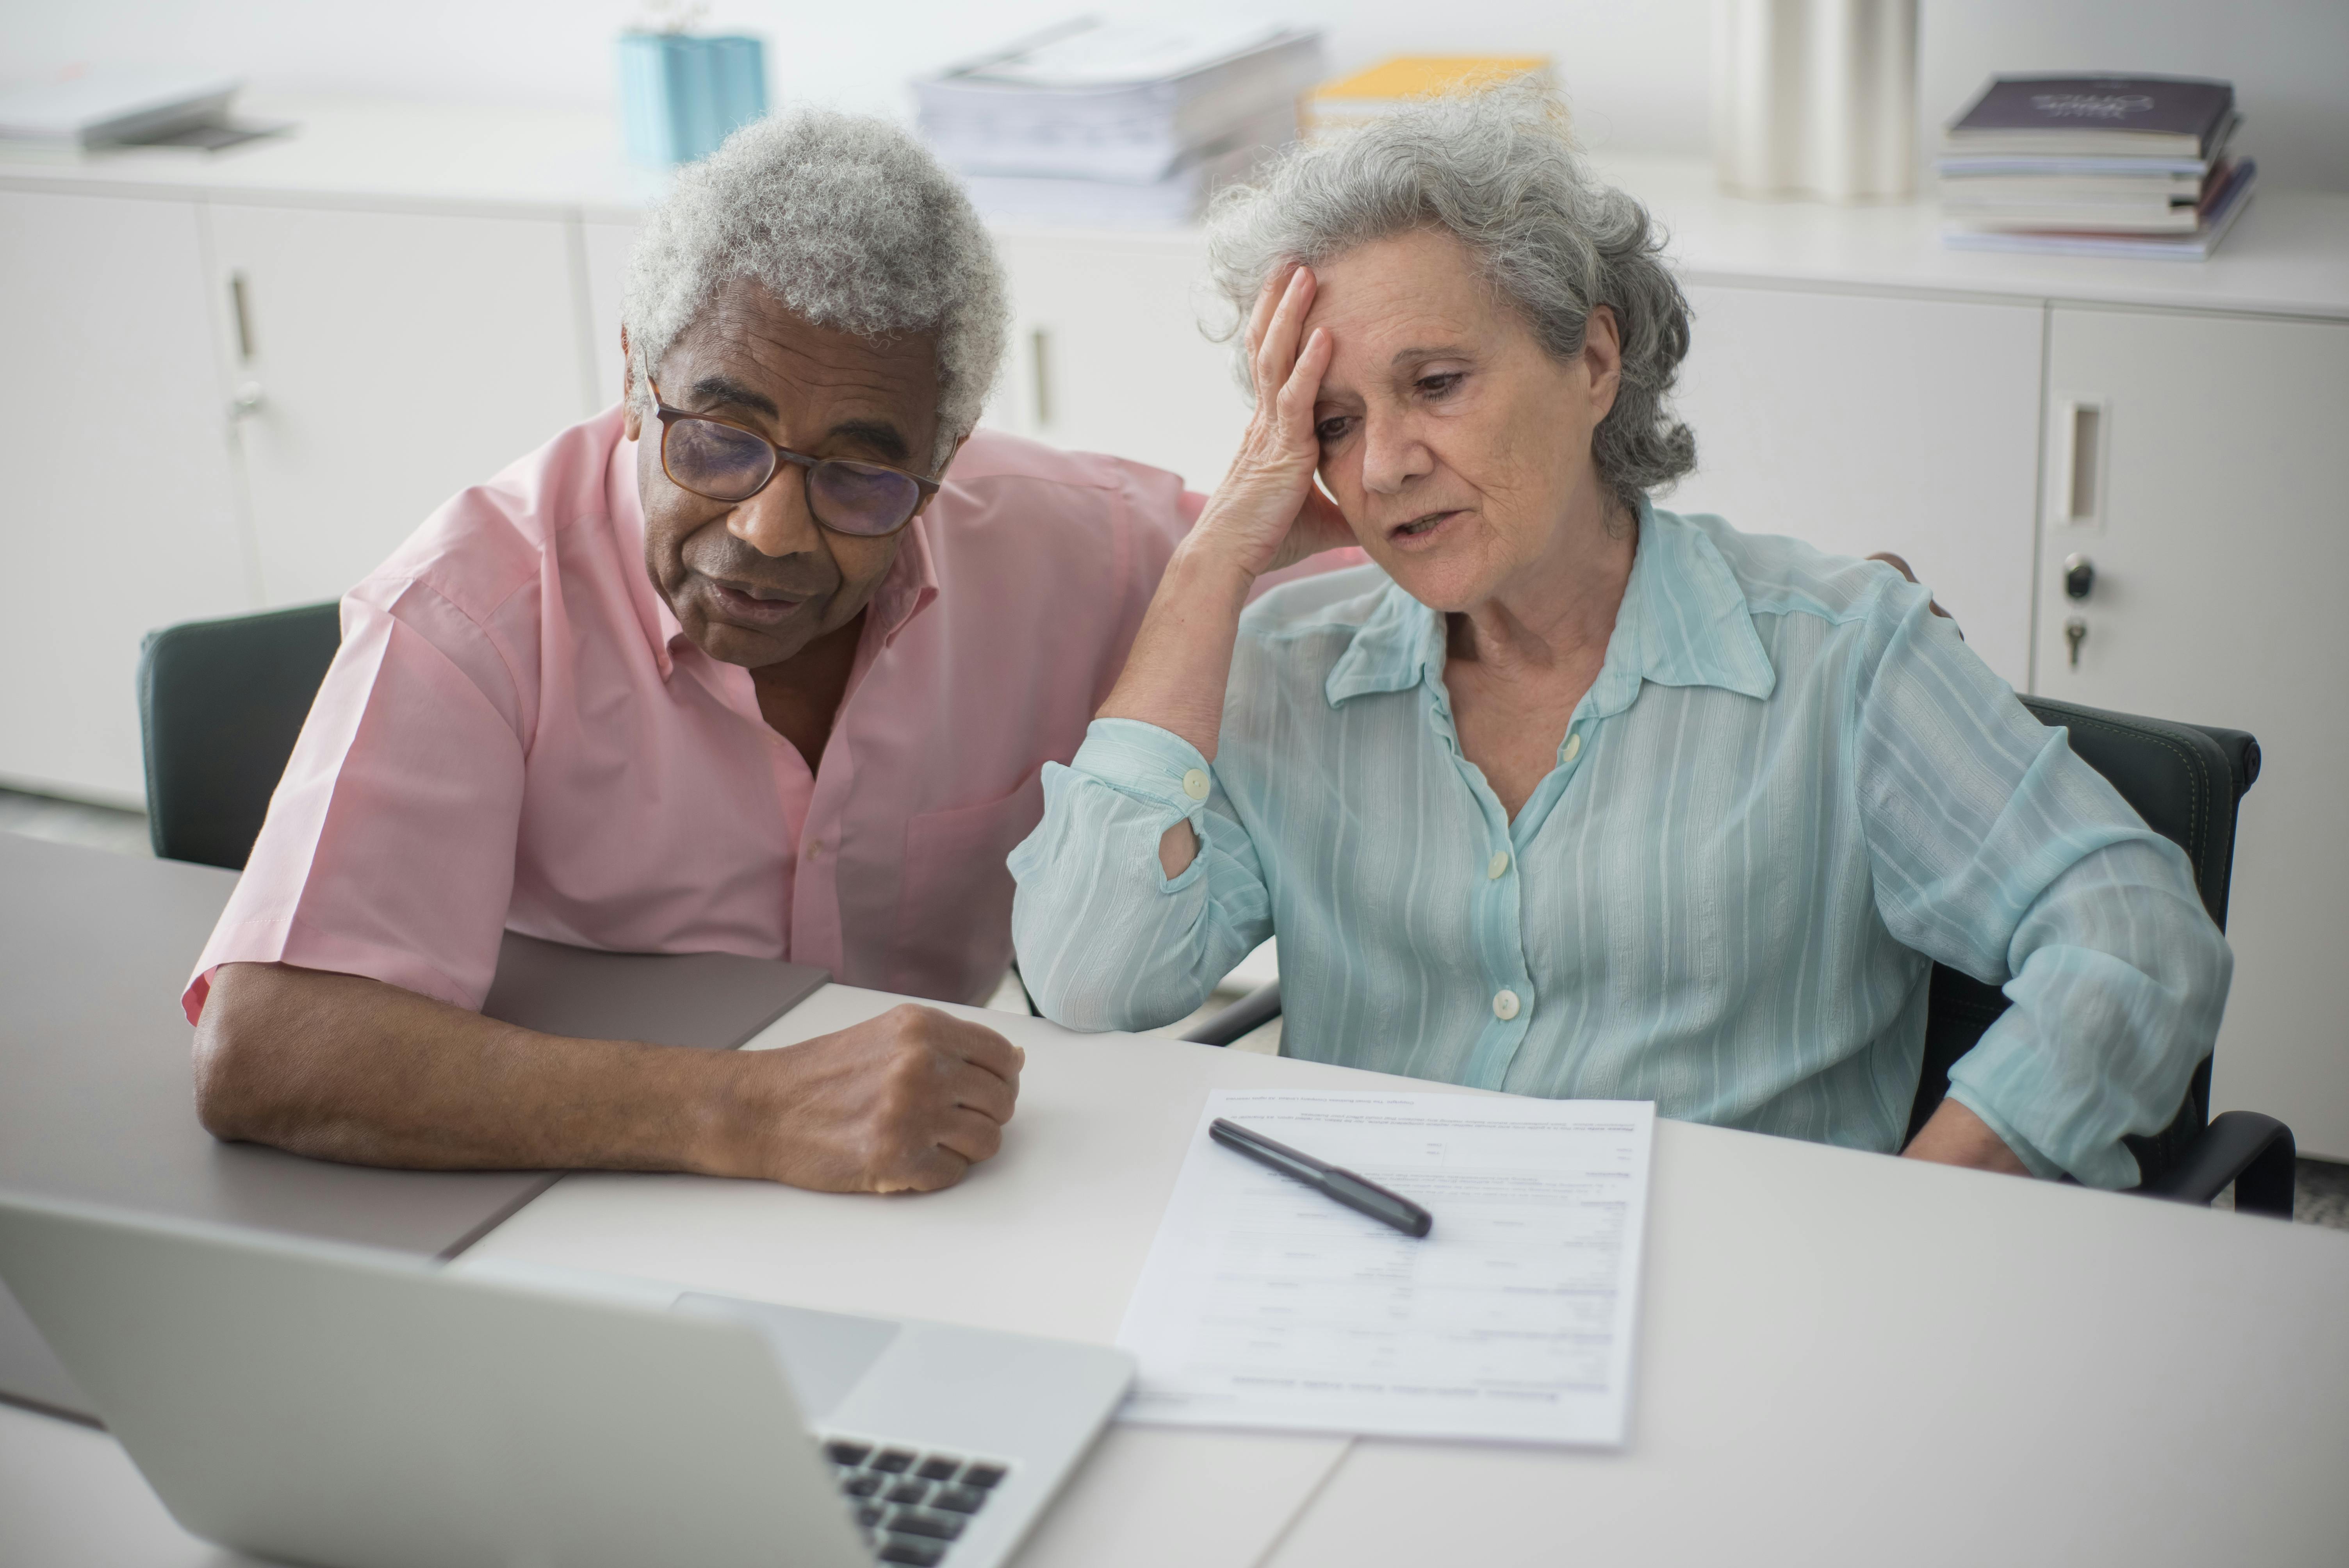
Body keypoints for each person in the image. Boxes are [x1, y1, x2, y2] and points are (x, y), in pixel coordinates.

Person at [1008, 89, 2230, 1188]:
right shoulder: (1283, 664)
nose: (1382, 465)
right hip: (1362, 1292)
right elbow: (1089, 978)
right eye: (1331, 421)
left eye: (1436, 384)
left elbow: (2134, 939)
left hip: (1736, 1322)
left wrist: (1919, 1211)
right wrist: (1212, 565)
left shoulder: (1839, 657)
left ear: (1595, 359)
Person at [188, 108, 1234, 1196]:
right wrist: (752, 1111)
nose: (769, 532)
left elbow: (1345, 560)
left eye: (859, 479)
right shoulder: (469, 608)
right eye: (720, 441)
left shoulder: (1072, 544)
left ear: (943, 457)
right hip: (567, 1193)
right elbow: (266, 1048)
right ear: (638, 376)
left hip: (938, 1188)